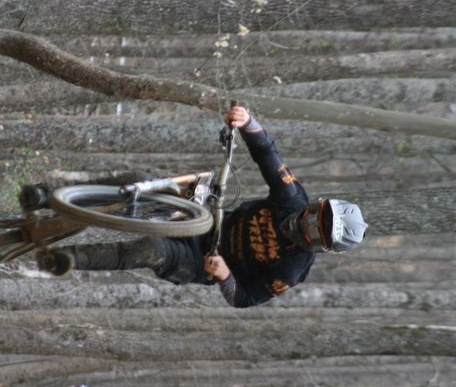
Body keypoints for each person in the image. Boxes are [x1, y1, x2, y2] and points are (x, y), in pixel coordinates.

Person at [26, 105, 368, 308]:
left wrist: (224, 275)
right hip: (206, 218)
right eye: (314, 217)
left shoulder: (291, 270)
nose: (305, 225)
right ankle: (49, 194)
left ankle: (67, 259)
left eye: (315, 233)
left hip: (199, 262)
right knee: (140, 179)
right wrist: (248, 122)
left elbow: (244, 299)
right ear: (314, 205)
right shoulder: (290, 197)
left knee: (150, 250)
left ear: (322, 248)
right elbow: (269, 157)